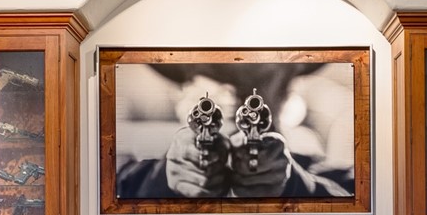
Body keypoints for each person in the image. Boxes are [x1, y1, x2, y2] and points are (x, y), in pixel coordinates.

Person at [115, 63, 354, 199]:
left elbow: (354, 207)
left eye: (256, 81)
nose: (230, 97)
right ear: (182, 97)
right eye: (213, 82)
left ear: (288, 94)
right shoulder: (130, 175)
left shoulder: (335, 178)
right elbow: (113, 192)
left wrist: (295, 184)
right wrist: (162, 178)